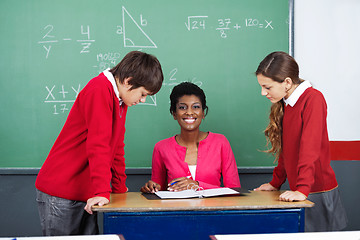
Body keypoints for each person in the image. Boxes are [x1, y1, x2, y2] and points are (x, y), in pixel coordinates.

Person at [35, 51, 163, 235]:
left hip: (86, 192)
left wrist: (119, 188)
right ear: (128, 81)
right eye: (143, 94)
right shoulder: (100, 89)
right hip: (61, 191)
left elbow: (117, 145)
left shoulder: (120, 100)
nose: (142, 100)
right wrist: (102, 192)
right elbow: (99, 145)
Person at [254, 51, 347, 231]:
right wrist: (275, 183)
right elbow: (287, 150)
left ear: (287, 82)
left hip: (318, 191)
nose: (263, 93)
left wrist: (302, 190)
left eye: (267, 87)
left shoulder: (313, 99)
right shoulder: (287, 103)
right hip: (302, 191)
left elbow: (309, 148)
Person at [140, 82, 240, 193]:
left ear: (203, 113)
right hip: (176, 210)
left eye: (196, 107)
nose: (189, 112)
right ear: (174, 113)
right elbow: (160, 190)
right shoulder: (161, 148)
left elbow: (234, 189)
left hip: (213, 210)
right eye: (182, 107)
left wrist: (196, 185)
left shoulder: (221, 142)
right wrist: (152, 188)